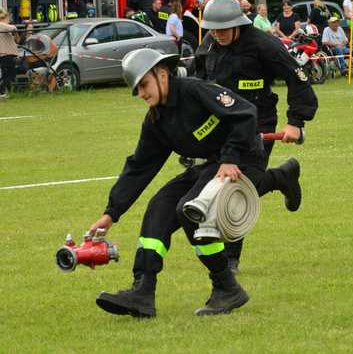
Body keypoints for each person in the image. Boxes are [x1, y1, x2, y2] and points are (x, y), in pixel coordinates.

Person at [88, 48, 278, 318]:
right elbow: (140, 166)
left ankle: (227, 287)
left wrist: (230, 156)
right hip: (214, 163)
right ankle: (143, 290)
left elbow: (245, 113)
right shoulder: (157, 119)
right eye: (136, 90)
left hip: (243, 157)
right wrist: (111, 213)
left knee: (188, 209)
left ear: (162, 75)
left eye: (143, 85)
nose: (141, 94)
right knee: (160, 207)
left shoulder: (194, 91)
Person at [195, 0, 318, 272]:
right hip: (219, 123)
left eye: (223, 29)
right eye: (213, 30)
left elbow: (296, 76)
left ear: (237, 23)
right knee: (225, 183)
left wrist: (296, 121)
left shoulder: (264, 44)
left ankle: (230, 258)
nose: (218, 35)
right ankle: (280, 177)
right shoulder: (210, 44)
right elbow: (197, 82)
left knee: (236, 187)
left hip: (257, 122)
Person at [0, 9, 18, 98]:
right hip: (5, 54)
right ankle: (1, 89)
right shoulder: (2, 25)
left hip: (6, 53)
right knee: (11, 74)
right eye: (9, 19)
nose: (10, 21)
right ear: (4, 18)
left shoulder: (3, 26)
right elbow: (13, 28)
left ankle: (4, 93)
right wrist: (13, 27)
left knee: (6, 74)